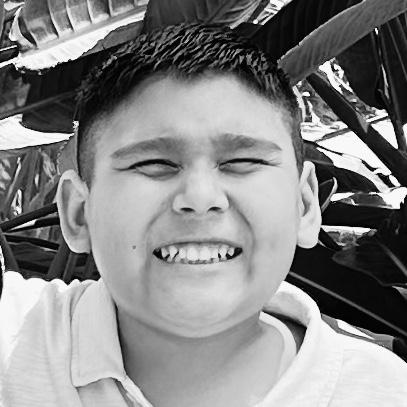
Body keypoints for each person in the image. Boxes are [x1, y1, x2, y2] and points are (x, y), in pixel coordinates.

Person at [0, 23, 406, 407]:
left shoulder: (383, 392)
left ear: (304, 205)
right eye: (154, 164)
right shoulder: (14, 336)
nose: (199, 197)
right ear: (78, 213)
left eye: (242, 161)